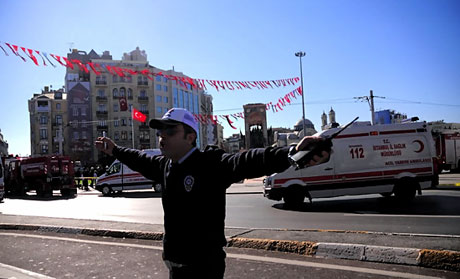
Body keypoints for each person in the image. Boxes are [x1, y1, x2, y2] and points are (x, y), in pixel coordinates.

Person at [95, 108, 329, 279]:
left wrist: (290, 152)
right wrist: (115, 150)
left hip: (204, 267)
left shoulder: (209, 163)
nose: (162, 136)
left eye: (170, 130)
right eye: (160, 131)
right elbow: (139, 159)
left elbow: (246, 160)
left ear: (190, 137)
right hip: (175, 264)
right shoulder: (166, 166)